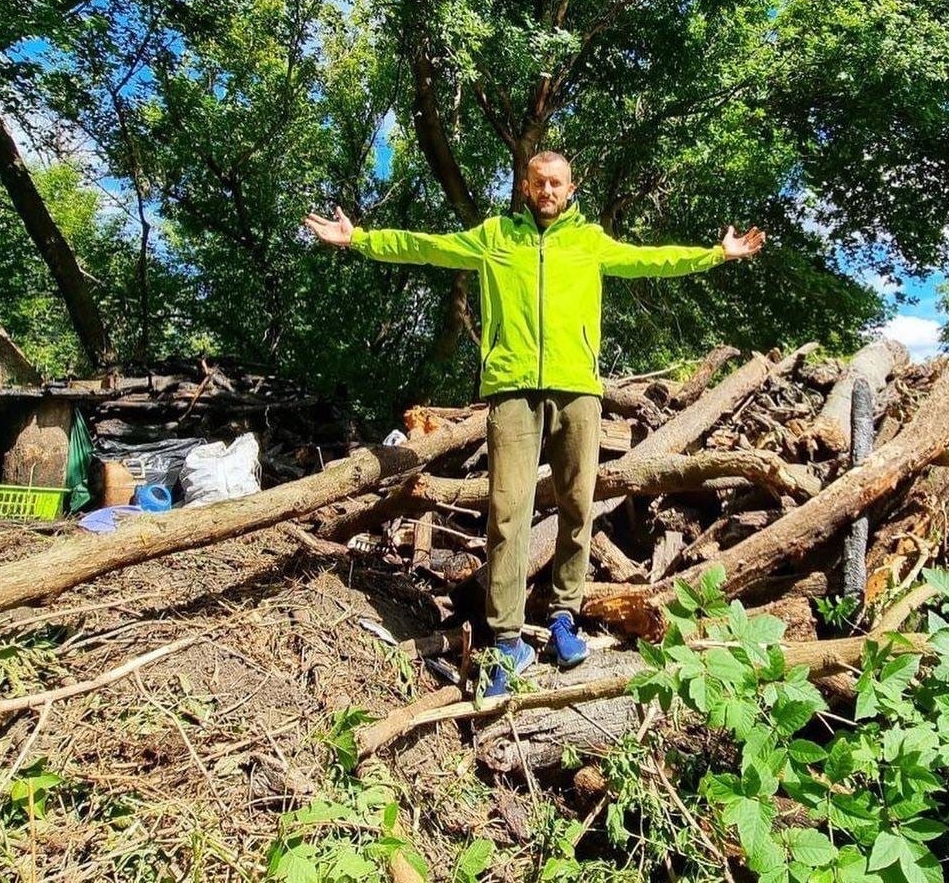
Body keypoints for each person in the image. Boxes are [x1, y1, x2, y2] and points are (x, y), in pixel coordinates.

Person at [305, 150, 765, 695]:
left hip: (577, 391)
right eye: (538, 182)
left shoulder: (589, 240)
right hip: (513, 389)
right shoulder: (495, 235)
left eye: (557, 183)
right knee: (508, 510)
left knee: (577, 500)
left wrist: (716, 253)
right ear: (525, 187)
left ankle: (564, 616)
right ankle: (505, 641)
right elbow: (426, 248)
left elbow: (651, 259)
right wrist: (359, 238)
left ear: (570, 189)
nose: (548, 190)